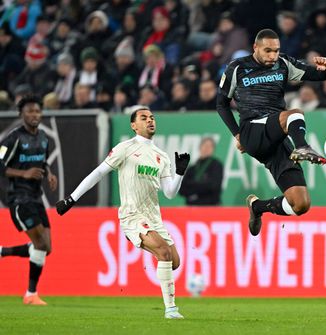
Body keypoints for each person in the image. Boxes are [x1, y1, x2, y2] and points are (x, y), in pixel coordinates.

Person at [55, 105, 190, 319]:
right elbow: (99, 172)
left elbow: (170, 193)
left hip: (154, 218)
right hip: (132, 215)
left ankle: (149, 243)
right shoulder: (125, 148)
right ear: (134, 125)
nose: (150, 121)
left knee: (174, 261)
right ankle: (171, 309)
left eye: (152, 117)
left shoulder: (161, 156)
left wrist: (180, 172)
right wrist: (72, 198)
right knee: (164, 252)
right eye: (144, 118)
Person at [216, 28, 326, 236]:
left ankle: (258, 207)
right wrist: (237, 134)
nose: (272, 56)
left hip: (277, 137)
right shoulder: (237, 68)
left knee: (301, 204)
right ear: (255, 48)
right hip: (252, 130)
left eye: (276, 51)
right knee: (293, 114)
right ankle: (302, 146)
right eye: (267, 51)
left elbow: (314, 74)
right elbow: (221, 104)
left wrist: (325, 70)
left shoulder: (283, 63)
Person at [0, 94, 58, 305]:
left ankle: (2, 252)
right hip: (18, 198)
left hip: (36, 197)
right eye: (29, 111)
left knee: (47, 247)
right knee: (40, 244)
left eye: (37, 111)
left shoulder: (43, 137)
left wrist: (49, 174)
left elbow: (43, 162)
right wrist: (23, 174)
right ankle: (30, 294)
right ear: (21, 114)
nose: (34, 115)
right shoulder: (13, 138)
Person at [179, 137, 224, 205]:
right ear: (200, 147)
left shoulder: (216, 165)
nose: (207, 148)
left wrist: (192, 187)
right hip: (191, 208)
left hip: (211, 207)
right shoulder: (192, 168)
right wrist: (202, 186)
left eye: (210, 146)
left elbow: (214, 186)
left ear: (213, 149)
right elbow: (182, 189)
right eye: (205, 145)